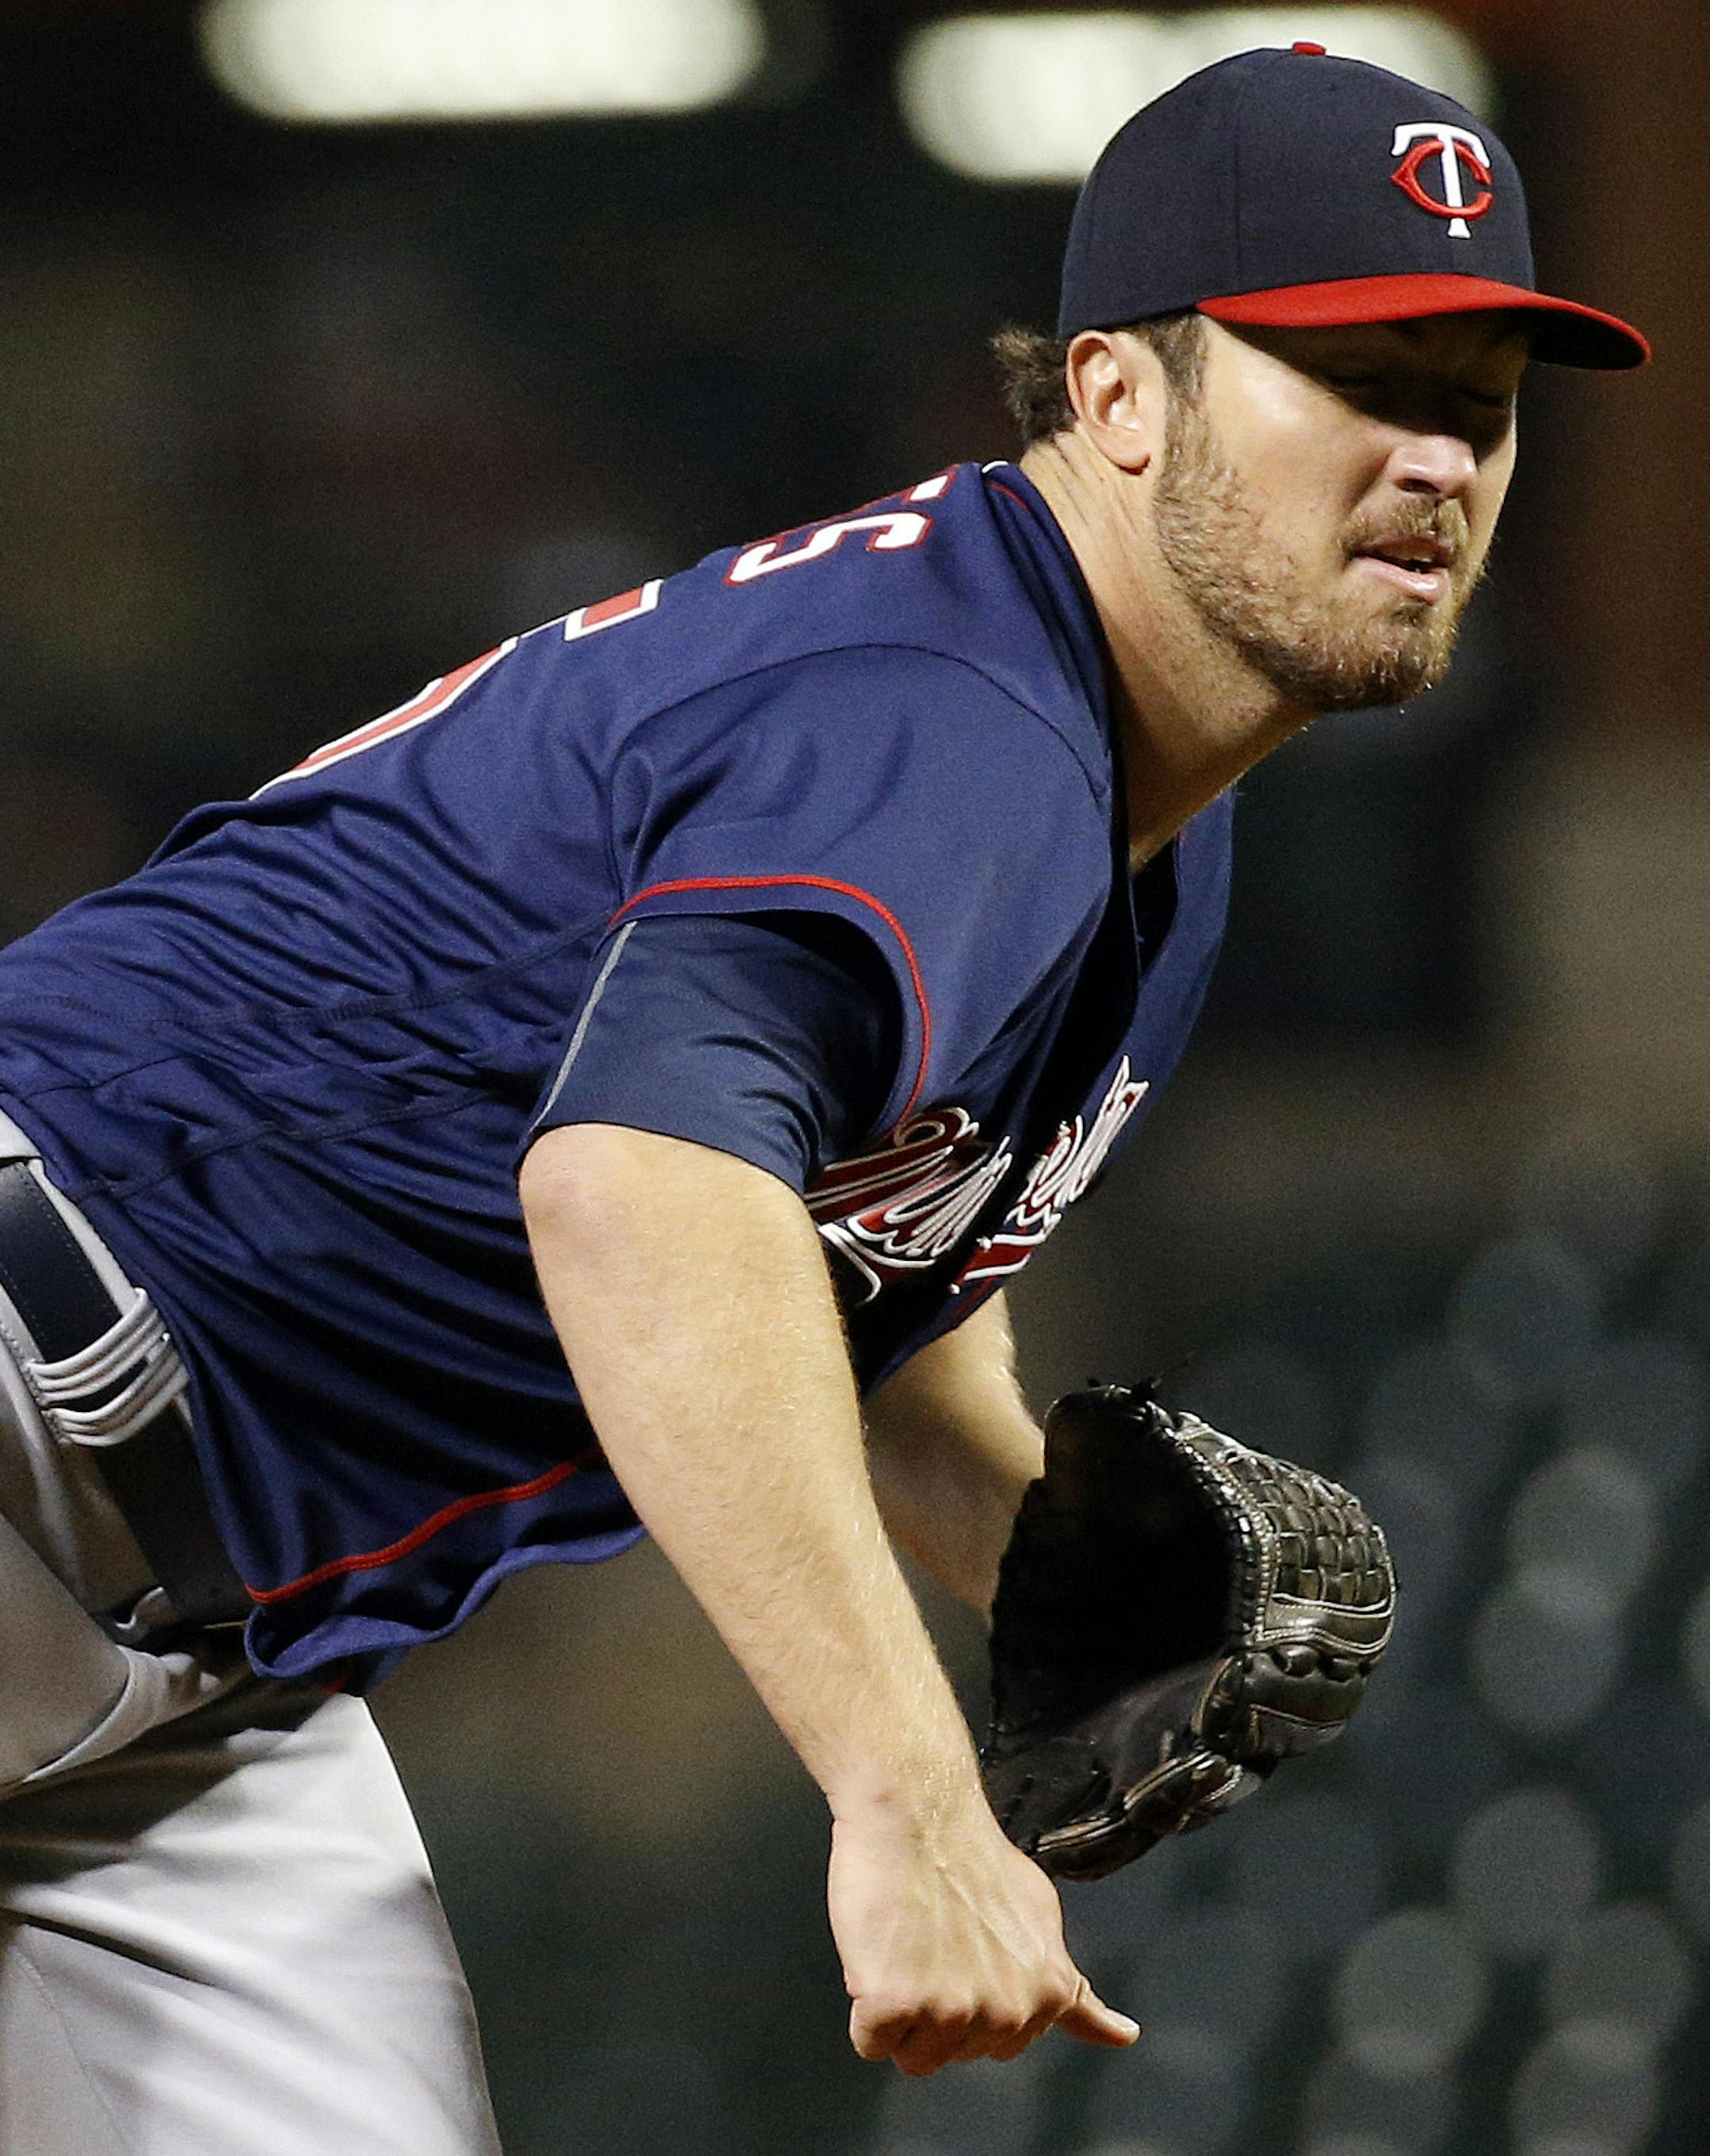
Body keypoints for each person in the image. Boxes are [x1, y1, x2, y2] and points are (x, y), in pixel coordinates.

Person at [0, 44, 1644, 2153]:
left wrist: (1034, 1549)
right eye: (1357, 377)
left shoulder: (1145, 802)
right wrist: (903, 1790)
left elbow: (860, 1280)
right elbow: (642, 1193)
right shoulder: (961, 712)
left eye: (1477, 401)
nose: (1434, 457)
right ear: (1116, 399)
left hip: (187, 1653)